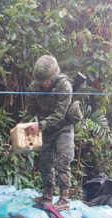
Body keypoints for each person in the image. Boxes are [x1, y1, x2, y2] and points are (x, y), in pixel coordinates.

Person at [23, 54, 74, 210]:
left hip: (63, 128)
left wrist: (40, 125)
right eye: (41, 82)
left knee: (63, 161)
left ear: (54, 76)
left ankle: (64, 199)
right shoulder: (34, 88)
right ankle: (47, 196)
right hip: (45, 129)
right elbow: (30, 110)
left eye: (47, 81)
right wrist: (20, 127)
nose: (44, 84)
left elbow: (60, 114)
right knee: (45, 162)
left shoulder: (64, 86)